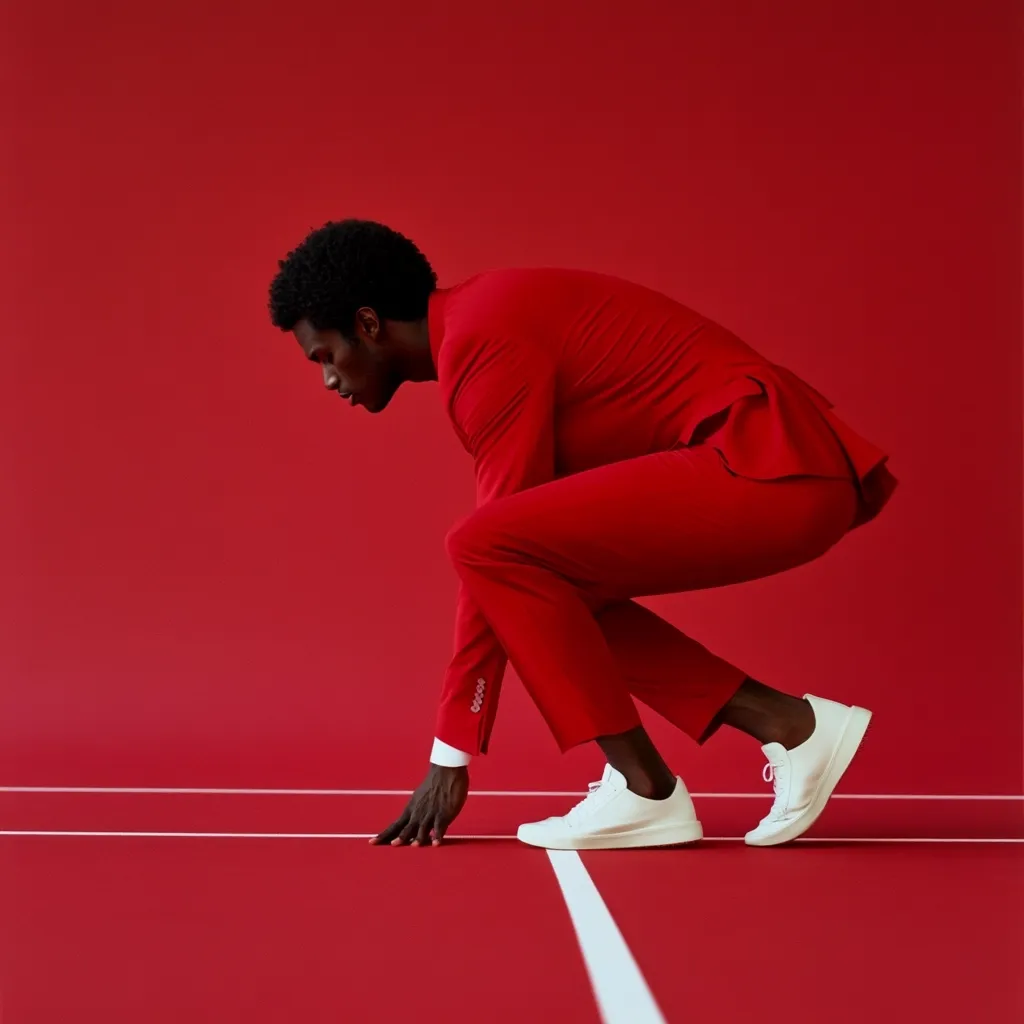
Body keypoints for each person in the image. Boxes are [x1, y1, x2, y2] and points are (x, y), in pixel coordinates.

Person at [268, 219, 897, 851]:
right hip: (783, 470)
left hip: (767, 464)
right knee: (541, 582)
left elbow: (491, 548)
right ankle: (790, 728)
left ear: (369, 325)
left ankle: (645, 788)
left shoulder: (481, 338)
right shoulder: (480, 323)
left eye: (325, 356)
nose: (327, 380)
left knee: (486, 547)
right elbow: (515, 568)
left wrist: (450, 753)